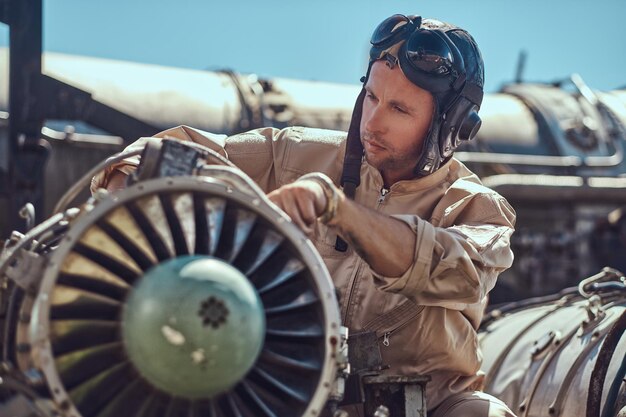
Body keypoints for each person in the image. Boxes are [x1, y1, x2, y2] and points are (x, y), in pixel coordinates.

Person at [93, 14, 517, 417]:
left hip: (432, 407)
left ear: (452, 126)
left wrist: (338, 209)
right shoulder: (294, 153)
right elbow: (173, 153)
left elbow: (458, 271)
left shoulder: (474, 207)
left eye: (400, 109)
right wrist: (130, 186)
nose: (373, 121)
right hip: (287, 396)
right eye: (371, 96)